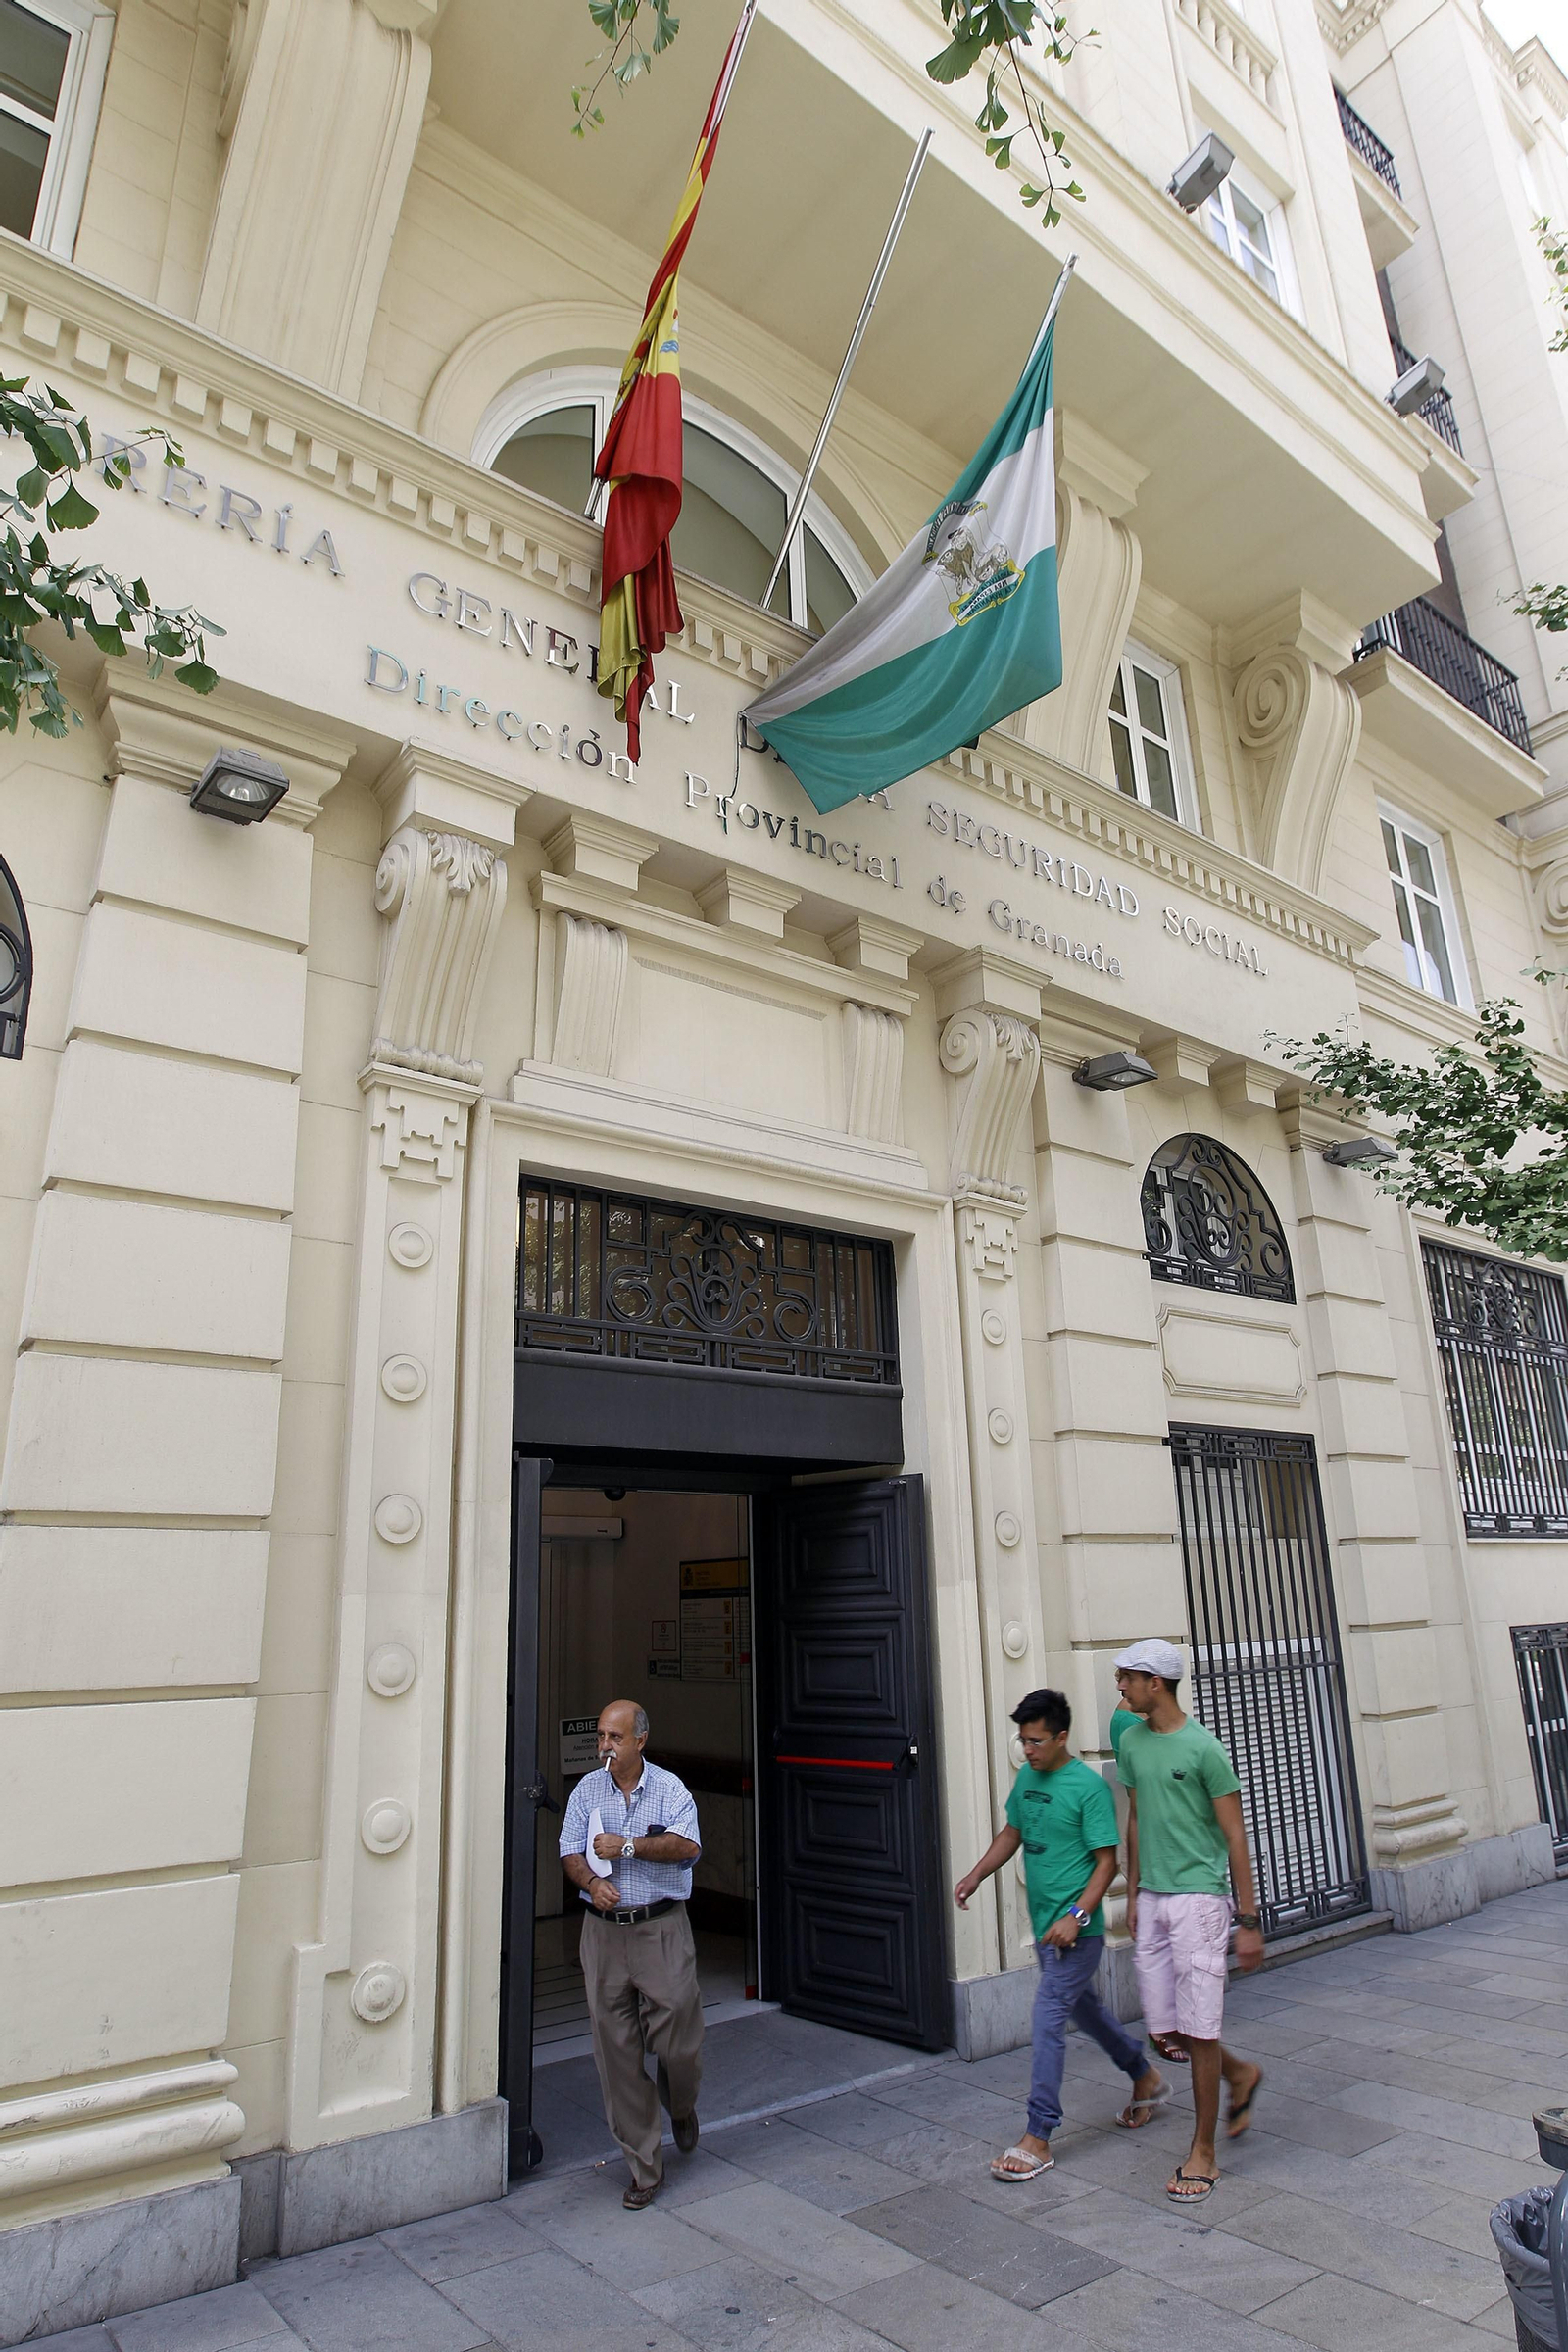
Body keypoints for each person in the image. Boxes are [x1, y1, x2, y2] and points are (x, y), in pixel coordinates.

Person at [955, 1688, 1166, 2180]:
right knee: (1084, 2010)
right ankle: (1145, 2075)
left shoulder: (1087, 1788)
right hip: (1046, 1928)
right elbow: (1013, 1832)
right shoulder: (1029, 1777)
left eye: (1037, 1741)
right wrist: (976, 1874)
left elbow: (1107, 1863)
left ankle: (1039, 2133)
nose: (1028, 1750)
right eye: (1024, 1740)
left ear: (1062, 1737)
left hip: (1077, 1933)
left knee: (1048, 2016)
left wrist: (1076, 1916)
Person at [1113, 1637, 1265, 2205]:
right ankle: (1240, 2073)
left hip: (1200, 1900)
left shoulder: (1205, 1749)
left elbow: (1235, 1836)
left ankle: (1204, 2152)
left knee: (1200, 2029)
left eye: (1128, 1677)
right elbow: (1135, 1816)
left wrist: (1248, 1920)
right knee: (1167, 2029)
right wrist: (1133, 1890)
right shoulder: (1131, 1742)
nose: (1120, 1687)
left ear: (1156, 1683)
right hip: (1152, 1898)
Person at [558, 1699, 704, 2209]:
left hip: (660, 1927)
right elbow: (570, 1850)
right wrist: (591, 1883)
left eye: (615, 1738)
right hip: (604, 1935)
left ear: (640, 1741)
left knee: (679, 2036)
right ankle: (645, 2167)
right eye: (601, 1736)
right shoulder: (586, 1789)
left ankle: (680, 2104)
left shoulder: (669, 1788)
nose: (605, 1746)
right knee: (615, 2052)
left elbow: (688, 1847)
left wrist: (628, 1846)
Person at [1107, 1698, 1188, 2071]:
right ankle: (1163, 2028)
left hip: (1172, 1842)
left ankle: (1177, 2022)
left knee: (1169, 1941)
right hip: (1155, 1842)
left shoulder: (1156, 1721)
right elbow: (1144, 1799)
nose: (1122, 1684)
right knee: (1155, 1945)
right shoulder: (1128, 1725)